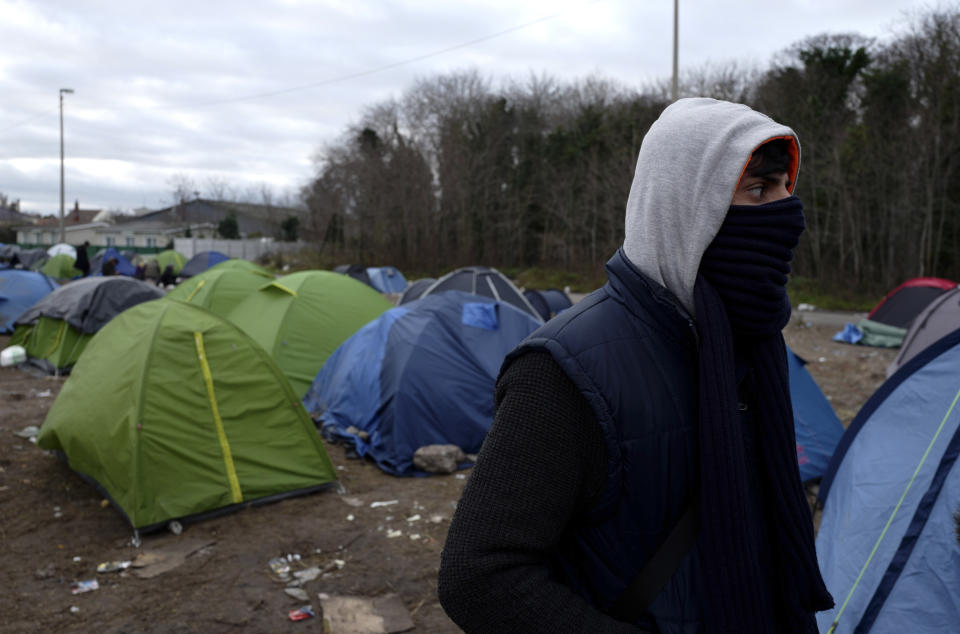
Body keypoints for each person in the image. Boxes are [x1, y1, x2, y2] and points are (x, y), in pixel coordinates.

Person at [438, 98, 834, 633]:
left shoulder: (750, 342)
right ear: (687, 208)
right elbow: (479, 575)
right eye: (759, 190)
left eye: (788, 187)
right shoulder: (562, 370)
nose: (787, 214)